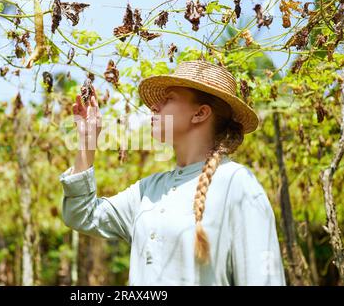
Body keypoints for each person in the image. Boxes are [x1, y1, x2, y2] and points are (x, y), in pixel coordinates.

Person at [59, 60, 286, 286]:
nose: (154, 107)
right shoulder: (149, 189)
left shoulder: (237, 184)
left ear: (200, 113)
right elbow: (83, 215)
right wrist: (87, 143)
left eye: (168, 99)